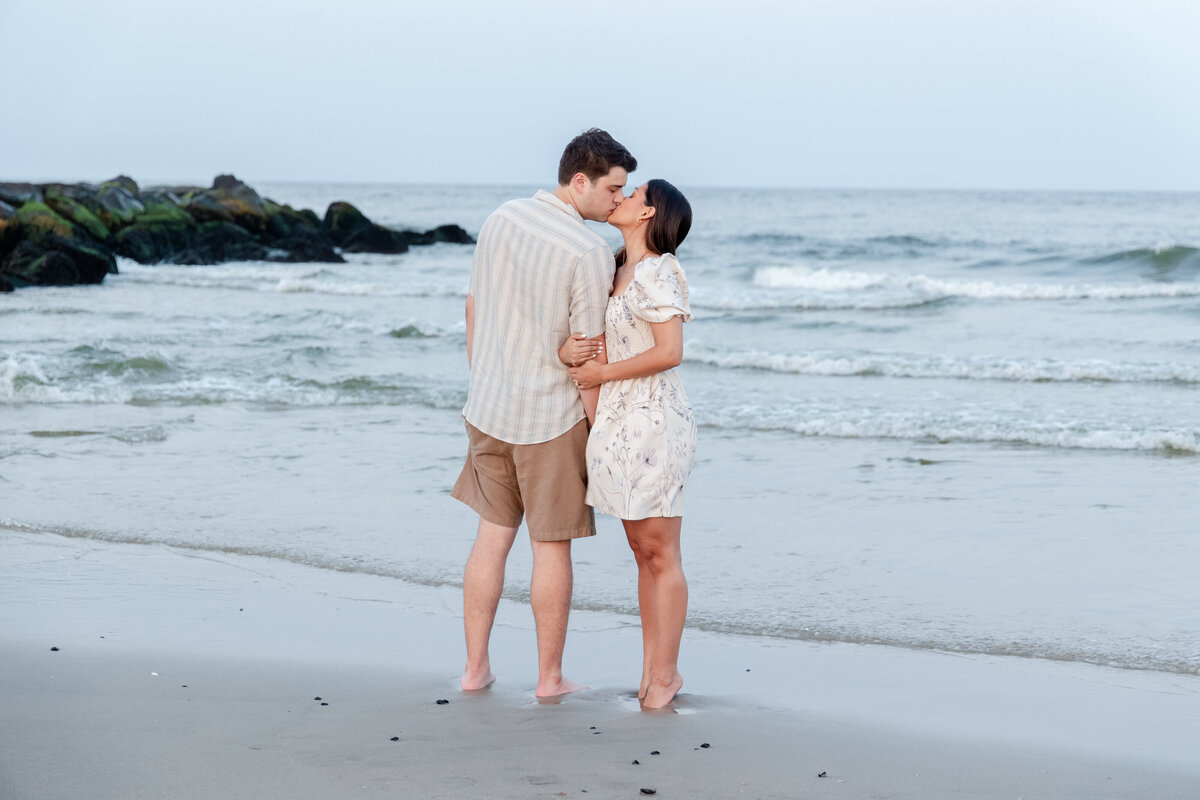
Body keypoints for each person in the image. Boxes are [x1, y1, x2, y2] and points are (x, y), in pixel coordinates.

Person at [450, 128, 637, 697]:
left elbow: (473, 305)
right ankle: (549, 678)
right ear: (579, 181)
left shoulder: (501, 217)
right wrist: (598, 427)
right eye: (612, 189)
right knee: (550, 547)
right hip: (548, 420)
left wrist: (481, 375)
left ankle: (475, 669)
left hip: (486, 406)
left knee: (491, 539)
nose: (616, 202)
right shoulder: (588, 253)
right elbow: (588, 355)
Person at [563, 179, 695, 709]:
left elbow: (670, 352)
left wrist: (603, 373)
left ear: (649, 213)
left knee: (660, 552)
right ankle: (650, 670)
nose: (619, 197)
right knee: (641, 552)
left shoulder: (660, 270)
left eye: (633, 192)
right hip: (618, 424)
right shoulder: (615, 268)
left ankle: (667, 674)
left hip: (655, 421)